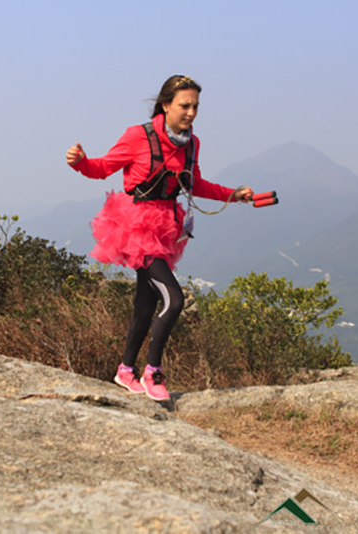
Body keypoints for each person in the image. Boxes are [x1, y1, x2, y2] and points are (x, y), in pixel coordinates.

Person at [66, 75, 253, 401]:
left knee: (146, 302)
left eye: (196, 106)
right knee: (175, 299)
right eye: (185, 105)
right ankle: (153, 371)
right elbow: (103, 167)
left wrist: (232, 195)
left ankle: (126, 371)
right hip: (135, 226)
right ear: (166, 104)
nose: (192, 112)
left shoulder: (191, 143)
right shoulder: (138, 136)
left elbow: (195, 183)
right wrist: (81, 162)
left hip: (166, 227)